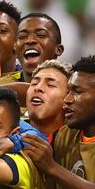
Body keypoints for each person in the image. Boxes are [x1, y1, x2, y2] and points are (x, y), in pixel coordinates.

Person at [23, 56, 95, 189]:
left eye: (77, 92)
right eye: (69, 91)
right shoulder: (66, 135)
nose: (67, 100)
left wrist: (52, 168)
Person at [25, 60, 72, 144]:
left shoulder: (76, 142)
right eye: (34, 83)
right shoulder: (8, 129)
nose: (38, 88)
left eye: (50, 85)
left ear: (68, 97)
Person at [15, 13, 64, 82]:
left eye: (41, 35)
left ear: (58, 50)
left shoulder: (72, 87)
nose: (30, 40)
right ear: (15, 50)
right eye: (22, 36)